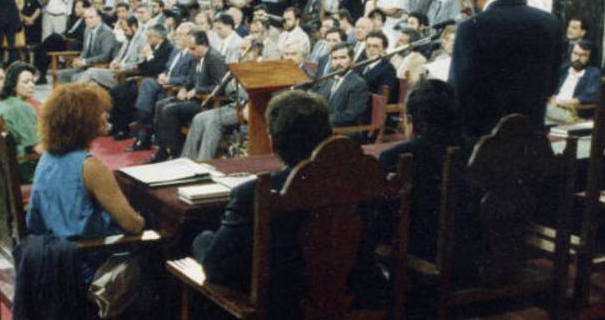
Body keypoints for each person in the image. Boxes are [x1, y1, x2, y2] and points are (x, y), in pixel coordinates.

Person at [193, 90, 380, 317]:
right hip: (355, 300)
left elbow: (216, 268)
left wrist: (202, 240)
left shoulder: (252, 193)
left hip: (283, 310)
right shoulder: (366, 181)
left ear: (272, 143)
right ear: (329, 135)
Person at [26, 82, 145, 282]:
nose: (106, 115)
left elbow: (33, 221)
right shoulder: (91, 167)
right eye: (99, 112)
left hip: (50, 260)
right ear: (82, 121)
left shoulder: (46, 158)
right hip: (87, 266)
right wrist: (142, 219)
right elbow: (133, 226)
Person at [450, 0, 561, 146]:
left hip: (484, 145)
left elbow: (460, 91)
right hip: (533, 141)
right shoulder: (549, 22)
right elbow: (552, 84)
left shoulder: (472, 27)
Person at [378, 79, 465, 261]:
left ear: (410, 120)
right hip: (469, 255)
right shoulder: (477, 148)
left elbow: (384, 223)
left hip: (419, 261)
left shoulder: (395, 157)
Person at [147, 30, 227, 163]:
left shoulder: (214, 58)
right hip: (192, 99)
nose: (190, 52)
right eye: (189, 48)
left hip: (205, 103)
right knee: (161, 104)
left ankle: (175, 152)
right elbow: (190, 80)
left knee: (170, 110)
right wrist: (184, 88)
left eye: (193, 48)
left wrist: (197, 91)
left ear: (204, 45)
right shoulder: (197, 57)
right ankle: (163, 149)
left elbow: (220, 87)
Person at [546, 41, 602, 124]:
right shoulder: (564, 69)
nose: (578, 58)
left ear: (590, 57)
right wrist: (552, 97)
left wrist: (565, 103)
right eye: (575, 53)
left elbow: (590, 96)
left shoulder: (594, 73)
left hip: (573, 112)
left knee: (540, 110)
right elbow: (551, 89)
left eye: (583, 55)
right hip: (554, 108)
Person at [318, 43, 370, 130]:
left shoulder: (358, 84)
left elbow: (350, 116)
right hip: (326, 126)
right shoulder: (328, 78)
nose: (338, 62)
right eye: (335, 58)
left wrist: (322, 120)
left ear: (352, 60)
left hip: (345, 131)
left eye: (343, 58)